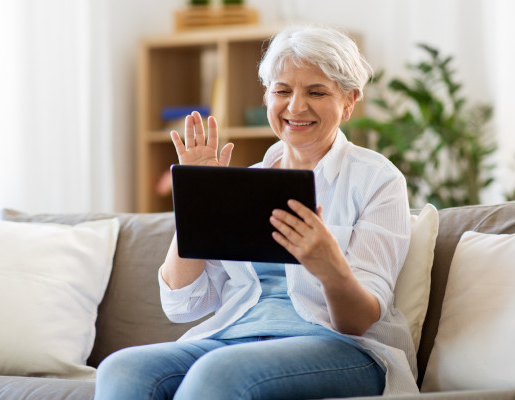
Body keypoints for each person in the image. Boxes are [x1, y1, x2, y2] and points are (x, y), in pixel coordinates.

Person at [95, 25, 418, 399]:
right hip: (235, 337)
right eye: (282, 91)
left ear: (349, 101)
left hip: (341, 348)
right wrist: (197, 200)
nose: (296, 106)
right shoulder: (247, 183)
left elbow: (357, 322)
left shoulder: (376, 179)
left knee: (220, 373)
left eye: (316, 92)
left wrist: (328, 264)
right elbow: (183, 304)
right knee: (122, 369)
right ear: (267, 97)